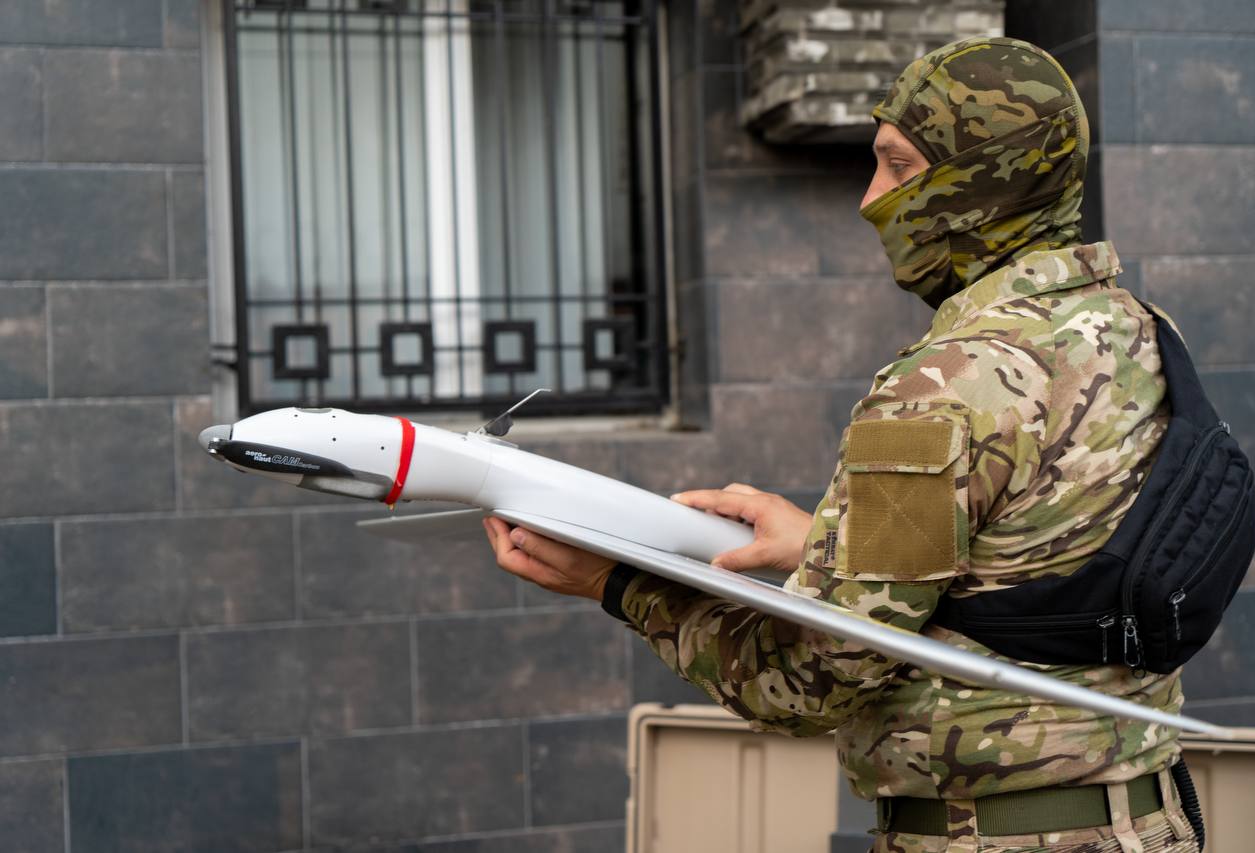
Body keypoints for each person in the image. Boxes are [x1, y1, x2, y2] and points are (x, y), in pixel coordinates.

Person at [483, 36, 1199, 853]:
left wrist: (620, 585)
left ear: (980, 183)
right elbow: (1029, 563)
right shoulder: (1141, 332)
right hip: (1151, 823)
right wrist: (821, 542)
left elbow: (810, 678)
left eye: (898, 168)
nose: (870, 200)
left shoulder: (948, 384)